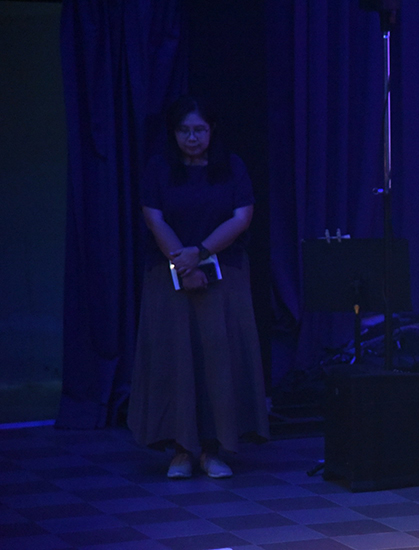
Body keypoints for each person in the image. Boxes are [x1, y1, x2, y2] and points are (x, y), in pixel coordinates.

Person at [128, 96, 270, 479]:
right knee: (174, 359)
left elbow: (242, 216)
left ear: (211, 131)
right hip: (169, 275)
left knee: (218, 361)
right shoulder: (159, 168)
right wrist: (183, 262)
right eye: (184, 131)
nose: (192, 138)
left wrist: (201, 253)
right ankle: (180, 450)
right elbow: (154, 218)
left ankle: (212, 448)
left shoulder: (231, 167)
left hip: (222, 274)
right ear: (174, 133)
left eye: (199, 130)